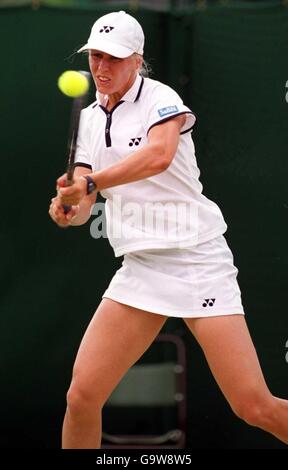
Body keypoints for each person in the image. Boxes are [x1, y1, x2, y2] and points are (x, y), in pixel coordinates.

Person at [49, 11, 288, 449]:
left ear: (137, 61)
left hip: (197, 260)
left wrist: (92, 184)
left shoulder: (162, 99)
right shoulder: (88, 118)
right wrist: (69, 207)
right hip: (141, 267)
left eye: (114, 58)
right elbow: (84, 204)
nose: (101, 68)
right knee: (82, 396)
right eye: (95, 56)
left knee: (254, 406)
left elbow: (158, 156)